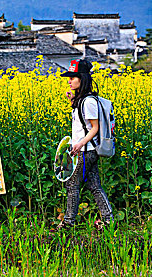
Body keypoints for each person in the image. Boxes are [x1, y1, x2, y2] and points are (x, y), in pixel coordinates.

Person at [57, 59, 114, 231]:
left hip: (85, 151)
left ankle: (68, 223)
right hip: (85, 150)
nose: (69, 80)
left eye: (73, 77)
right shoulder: (82, 100)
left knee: (72, 185)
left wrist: (79, 144)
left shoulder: (88, 102)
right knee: (94, 185)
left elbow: (94, 128)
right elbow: (83, 124)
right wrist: (73, 101)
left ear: (82, 79)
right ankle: (109, 219)